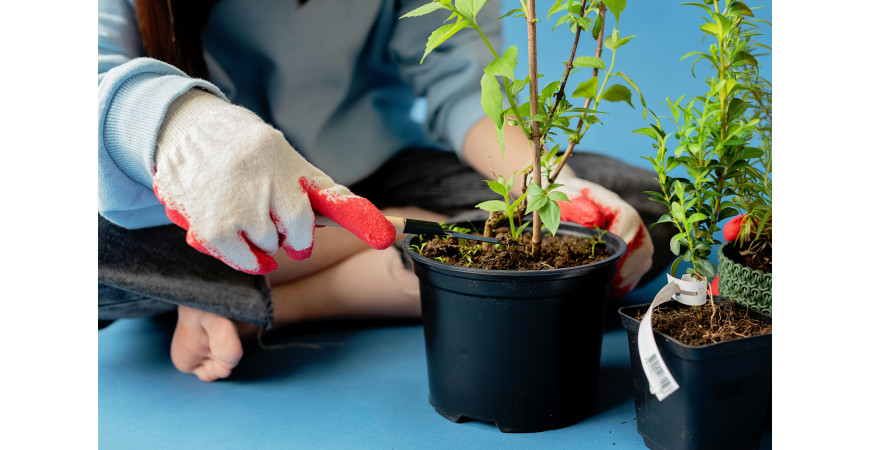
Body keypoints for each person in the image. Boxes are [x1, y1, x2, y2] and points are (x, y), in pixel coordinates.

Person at [99, 0, 666, 382]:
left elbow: (465, 84)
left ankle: (265, 301)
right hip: (181, 202)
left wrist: (551, 188)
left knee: (641, 205)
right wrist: (184, 130)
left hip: (369, 169)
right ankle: (401, 239)